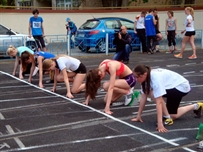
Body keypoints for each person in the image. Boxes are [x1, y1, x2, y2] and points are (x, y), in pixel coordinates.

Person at [131, 64, 203, 133]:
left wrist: (160, 123)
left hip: (181, 87)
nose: (136, 79)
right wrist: (138, 116)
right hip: (171, 86)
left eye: (137, 77)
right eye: (135, 77)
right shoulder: (146, 78)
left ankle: (167, 118)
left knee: (153, 93)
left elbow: (159, 101)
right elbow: (144, 96)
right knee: (173, 115)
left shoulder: (155, 79)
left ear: (144, 74)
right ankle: (196, 106)